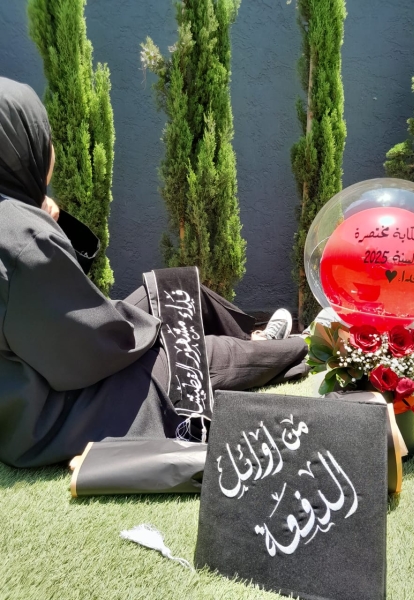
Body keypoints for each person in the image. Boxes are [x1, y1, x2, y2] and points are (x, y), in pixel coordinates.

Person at [0, 77, 309, 468]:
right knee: (190, 353)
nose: (51, 150)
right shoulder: (21, 234)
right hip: (52, 415)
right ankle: (304, 347)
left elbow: (48, 305)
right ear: (22, 149)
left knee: (172, 289)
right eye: (45, 137)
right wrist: (152, 329)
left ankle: (255, 337)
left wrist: (47, 218)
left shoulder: (15, 215)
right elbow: (93, 347)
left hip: (35, 382)